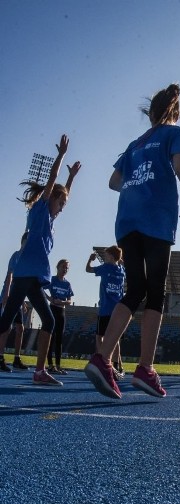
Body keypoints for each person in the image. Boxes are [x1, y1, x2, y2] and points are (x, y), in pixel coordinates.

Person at [85, 84, 180, 399]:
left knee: (134, 289)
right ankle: (145, 369)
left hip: (126, 222)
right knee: (154, 294)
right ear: (174, 112)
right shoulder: (175, 134)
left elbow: (113, 182)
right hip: (155, 218)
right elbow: (179, 164)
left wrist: (136, 187)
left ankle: (102, 357)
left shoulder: (135, 144)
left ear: (151, 114)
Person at [0, 134, 80, 386]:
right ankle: (37, 369)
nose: (63, 206)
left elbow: (61, 191)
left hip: (35, 278)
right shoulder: (39, 210)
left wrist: (72, 179)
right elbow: (52, 183)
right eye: (61, 202)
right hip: (25, 274)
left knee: (48, 320)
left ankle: (39, 371)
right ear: (51, 198)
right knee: (7, 321)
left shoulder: (50, 221)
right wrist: (61, 156)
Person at [86, 247, 126, 377]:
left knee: (99, 336)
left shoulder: (106, 268)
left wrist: (90, 260)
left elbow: (88, 269)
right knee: (116, 339)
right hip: (118, 309)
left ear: (111, 256)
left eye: (106, 254)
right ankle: (116, 366)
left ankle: (103, 361)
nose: (105, 257)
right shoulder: (121, 270)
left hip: (106, 309)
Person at [1, 232, 30, 372]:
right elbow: (10, 274)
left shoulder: (27, 259)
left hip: (18, 298)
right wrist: (6, 293)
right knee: (7, 327)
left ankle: (17, 358)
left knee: (20, 328)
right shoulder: (16, 256)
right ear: (23, 242)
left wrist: (23, 301)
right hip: (10, 296)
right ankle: (0, 357)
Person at [45, 259, 73, 375]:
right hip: (52, 310)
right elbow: (41, 289)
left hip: (61, 311)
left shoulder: (67, 284)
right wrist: (50, 299)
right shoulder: (52, 279)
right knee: (50, 338)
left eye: (67, 268)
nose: (64, 270)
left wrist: (62, 302)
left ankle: (58, 365)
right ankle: (50, 365)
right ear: (58, 267)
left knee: (59, 339)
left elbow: (70, 300)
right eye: (63, 267)